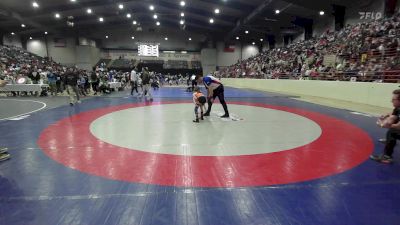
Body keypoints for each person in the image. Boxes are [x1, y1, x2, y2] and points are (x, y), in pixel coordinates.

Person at [370, 89, 400, 163]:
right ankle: (390, 141)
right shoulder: (398, 107)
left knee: (392, 133)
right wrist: (385, 116)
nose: (391, 101)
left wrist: (383, 124)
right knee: (392, 120)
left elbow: (399, 126)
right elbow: (393, 114)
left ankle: (387, 157)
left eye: (393, 99)